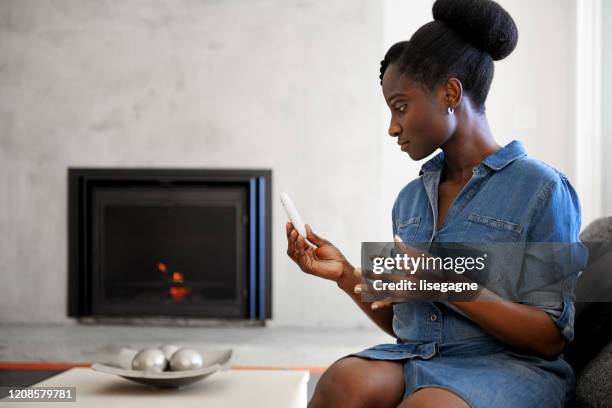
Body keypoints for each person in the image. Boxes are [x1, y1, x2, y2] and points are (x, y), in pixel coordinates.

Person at [286, 0, 588, 407]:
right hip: (420, 357)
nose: (393, 127)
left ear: (450, 93)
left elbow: (550, 338)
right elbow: (408, 324)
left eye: (401, 106)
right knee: (343, 382)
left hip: (508, 366)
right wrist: (345, 274)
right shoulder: (411, 199)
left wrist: (445, 283)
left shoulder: (543, 189)